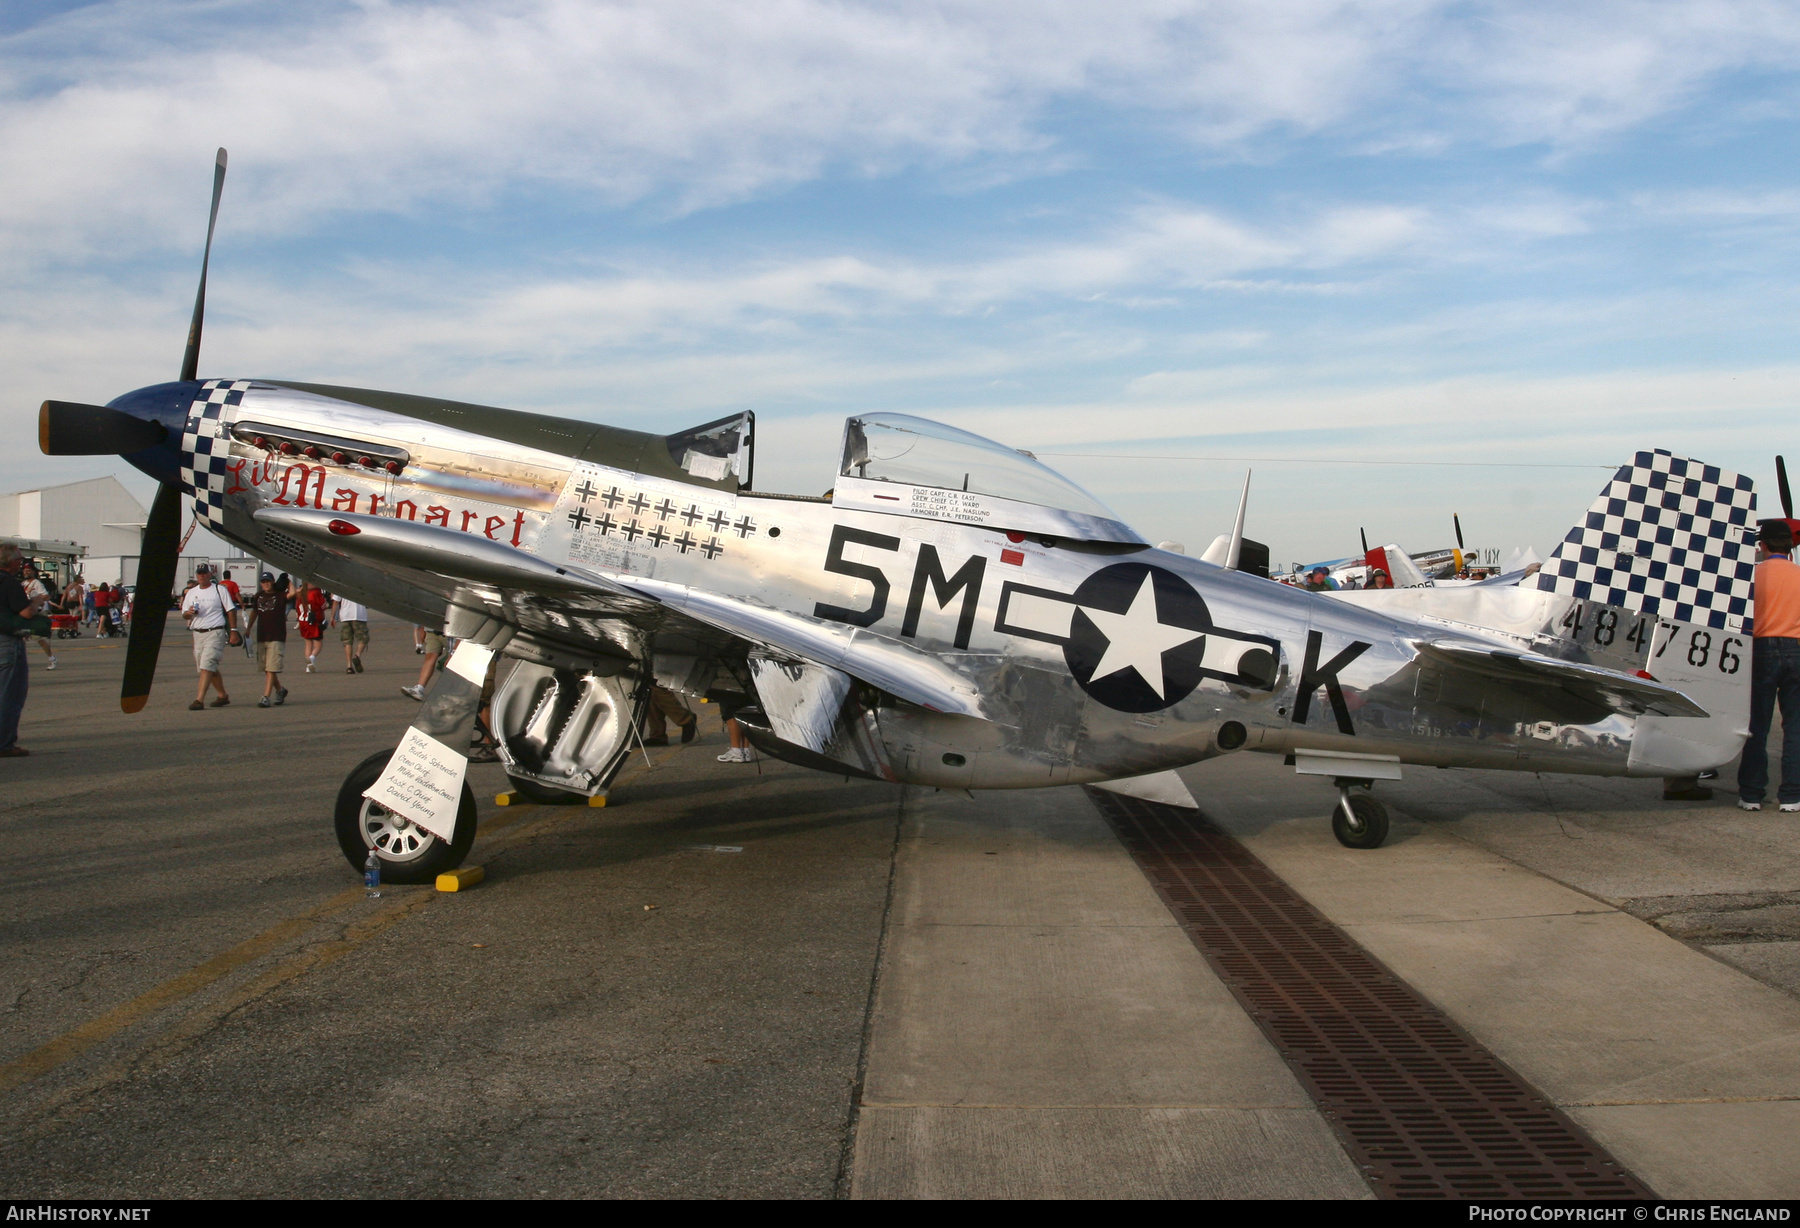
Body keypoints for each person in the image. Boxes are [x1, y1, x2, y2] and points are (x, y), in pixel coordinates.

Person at [1739, 520, 1800, 811]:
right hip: (1796, 649)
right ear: (1790, 546)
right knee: (1795, 726)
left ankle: (1751, 794)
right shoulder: (1799, 574)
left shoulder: (1751, 577)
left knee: (1757, 726)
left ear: (1762, 546)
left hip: (1759, 649)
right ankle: (1791, 795)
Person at [0, 544, 42, 757]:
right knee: (10, 694)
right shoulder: (9, 583)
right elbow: (25, 613)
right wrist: (35, 602)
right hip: (6, 641)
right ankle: (4, 743)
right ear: (13, 562)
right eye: (20, 560)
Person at [180, 564, 237, 710]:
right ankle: (222, 695)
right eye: (199, 573)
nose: (202, 576)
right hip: (198, 633)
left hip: (215, 632)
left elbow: (230, 610)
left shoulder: (219, 589)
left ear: (210, 574)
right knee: (206, 667)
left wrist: (233, 630)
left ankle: (199, 700)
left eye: (204, 573)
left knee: (207, 665)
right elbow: (184, 614)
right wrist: (189, 613)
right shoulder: (191, 592)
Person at [248, 572, 290, 708]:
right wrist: (248, 628)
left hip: (276, 636)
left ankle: (265, 696)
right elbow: (254, 612)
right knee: (267, 667)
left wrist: (287, 581)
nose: (266, 584)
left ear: (273, 582)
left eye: (268, 581)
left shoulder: (280, 595)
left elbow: (294, 594)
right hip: (262, 635)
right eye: (263, 581)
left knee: (272, 667)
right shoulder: (258, 596)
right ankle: (280, 690)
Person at [19, 565, 57, 671]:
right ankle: (20, 661)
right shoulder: (23, 583)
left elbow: (46, 596)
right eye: (25, 570)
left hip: (36, 613)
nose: (26, 572)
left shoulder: (37, 583)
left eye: (28, 570)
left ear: (33, 572)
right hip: (25, 612)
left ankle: (52, 659)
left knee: (39, 639)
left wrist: (33, 596)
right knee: (20, 637)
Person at [402, 626, 448, 701]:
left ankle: (456, 691)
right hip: (432, 630)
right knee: (429, 657)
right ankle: (419, 689)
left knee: (452, 661)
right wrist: (423, 630)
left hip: (452, 632)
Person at [295, 583, 327, 672]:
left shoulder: (301, 594)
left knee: (308, 644)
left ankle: (308, 667)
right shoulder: (316, 592)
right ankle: (312, 658)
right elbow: (323, 606)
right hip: (314, 621)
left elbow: (297, 609)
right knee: (318, 644)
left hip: (303, 621)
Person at [334, 594, 370, 674]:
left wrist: (332, 617)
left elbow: (336, 601)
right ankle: (357, 655)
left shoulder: (341, 585)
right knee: (363, 638)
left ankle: (349, 666)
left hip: (345, 615)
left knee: (347, 641)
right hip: (359, 615)